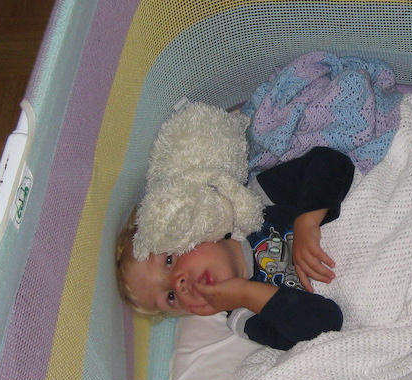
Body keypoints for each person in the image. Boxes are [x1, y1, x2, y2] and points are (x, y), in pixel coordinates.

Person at [117, 146, 355, 350]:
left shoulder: (253, 204)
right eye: (170, 297)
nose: (180, 287)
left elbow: (332, 162)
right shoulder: (245, 316)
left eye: (169, 261)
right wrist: (247, 293)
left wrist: (308, 220)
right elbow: (326, 329)